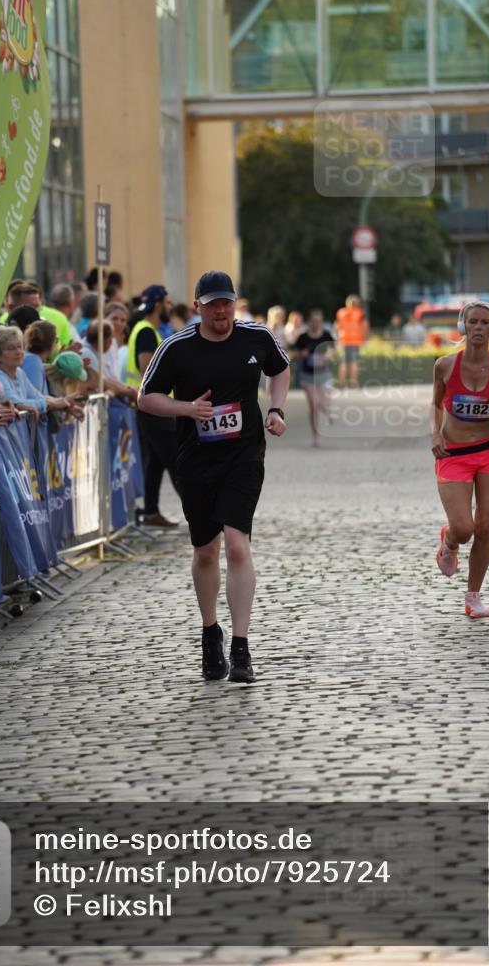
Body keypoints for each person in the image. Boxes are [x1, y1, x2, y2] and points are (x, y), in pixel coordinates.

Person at [138, 270, 290, 683]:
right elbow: (146, 398)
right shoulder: (176, 347)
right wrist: (187, 409)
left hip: (244, 454)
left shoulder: (256, 337)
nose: (222, 310)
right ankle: (211, 632)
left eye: (228, 302)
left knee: (237, 545)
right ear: (198, 306)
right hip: (196, 459)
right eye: (213, 303)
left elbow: (280, 369)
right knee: (207, 550)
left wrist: (276, 409)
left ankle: (241, 646)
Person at [431, 300, 489, 619]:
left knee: (486, 526)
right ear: (463, 327)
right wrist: (435, 433)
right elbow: (435, 405)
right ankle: (449, 542)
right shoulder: (445, 365)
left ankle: (473, 596)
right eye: (473, 322)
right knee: (465, 528)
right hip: (454, 454)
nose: (478, 328)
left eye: (484, 323)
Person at [126, 285, 179, 528]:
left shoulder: (146, 329)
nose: (170, 307)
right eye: (167, 303)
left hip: (147, 405)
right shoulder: (146, 331)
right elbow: (147, 367)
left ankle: (150, 512)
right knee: (176, 460)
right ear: (158, 304)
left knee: (155, 462)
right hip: (153, 406)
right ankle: (198, 511)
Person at [294, 309, 336, 447]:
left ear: (322, 322)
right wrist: (302, 354)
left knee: (323, 403)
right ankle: (316, 436)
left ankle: (328, 412)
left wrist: (328, 355)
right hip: (307, 375)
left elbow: (333, 349)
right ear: (309, 321)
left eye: (319, 321)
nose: (316, 323)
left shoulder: (326, 335)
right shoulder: (303, 337)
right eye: (314, 321)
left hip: (323, 374)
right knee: (313, 404)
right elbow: (294, 352)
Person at [81, 319, 137, 402]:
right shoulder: (86, 354)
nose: (111, 343)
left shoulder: (102, 351)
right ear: (102, 339)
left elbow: (111, 379)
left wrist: (130, 388)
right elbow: (105, 383)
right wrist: (131, 391)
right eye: (110, 339)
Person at [334, 294, 366, 388]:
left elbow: (336, 326)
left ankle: (341, 383)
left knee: (344, 362)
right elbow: (364, 326)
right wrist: (364, 338)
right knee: (354, 363)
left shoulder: (341, 312)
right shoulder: (360, 313)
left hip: (344, 340)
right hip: (356, 341)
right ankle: (353, 384)